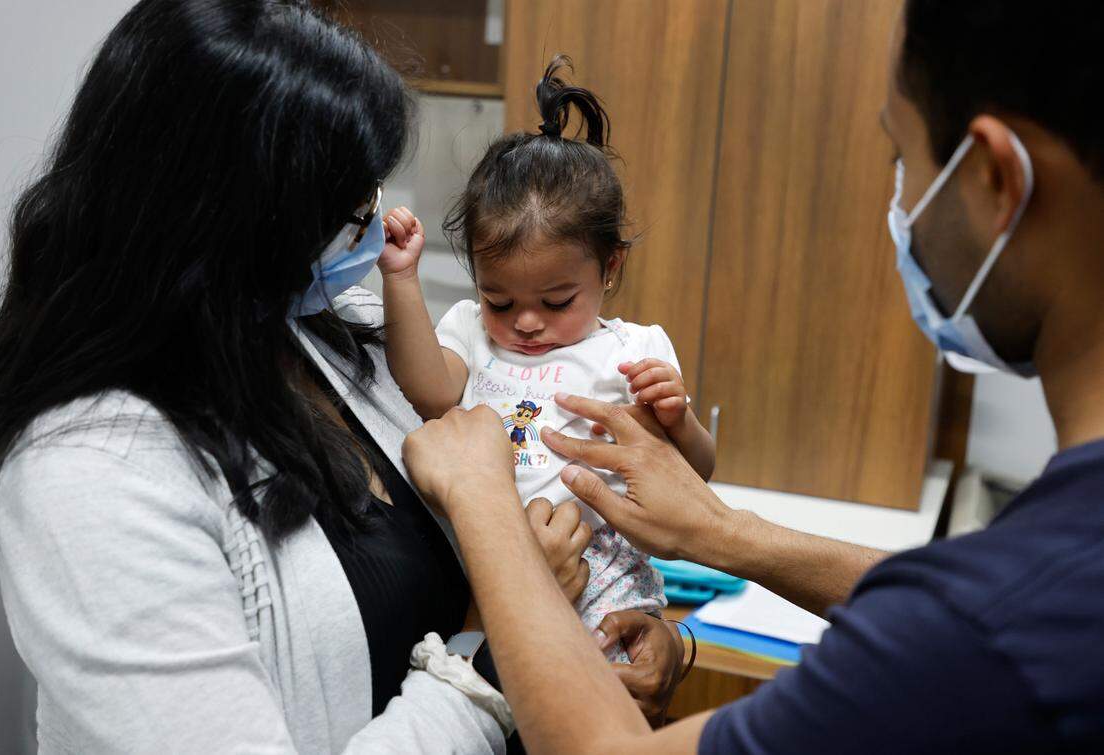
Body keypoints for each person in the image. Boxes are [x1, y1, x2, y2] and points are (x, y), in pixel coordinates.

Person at [0, 1, 682, 751]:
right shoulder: (90, 473)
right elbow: (496, 580)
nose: (373, 227)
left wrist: (629, 623)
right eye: (347, 210)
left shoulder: (331, 337)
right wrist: (499, 644)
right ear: (236, 226)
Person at [402, 1, 1104, 752]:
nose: (900, 208)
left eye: (903, 159)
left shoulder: (990, 625)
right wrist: (719, 547)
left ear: (997, 177)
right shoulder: (1027, 588)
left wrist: (483, 511)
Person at [377, 56, 714, 664]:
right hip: (486, 566)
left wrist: (678, 420)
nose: (525, 322)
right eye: (499, 298)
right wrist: (401, 278)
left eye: (556, 301)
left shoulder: (634, 350)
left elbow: (697, 474)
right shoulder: (470, 332)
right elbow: (429, 392)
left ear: (609, 269)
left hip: (603, 572)